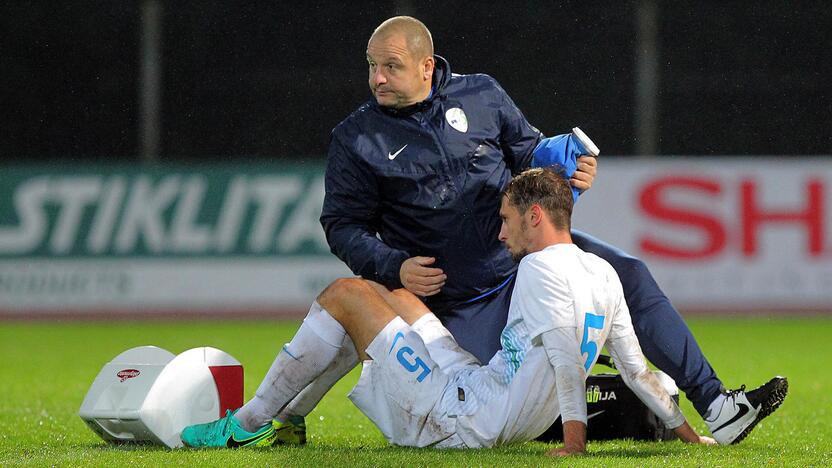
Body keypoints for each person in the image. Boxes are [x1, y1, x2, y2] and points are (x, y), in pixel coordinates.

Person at [251, 16, 787, 446]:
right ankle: (627, 410)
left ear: (426, 66)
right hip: (456, 303)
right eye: (371, 67)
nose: (377, 79)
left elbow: (532, 157)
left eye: (391, 67)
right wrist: (394, 266)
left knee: (628, 276)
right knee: (512, 403)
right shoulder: (356, 138)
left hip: (524, 261)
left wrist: (572, 171)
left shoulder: (481, 95)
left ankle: (718, 406)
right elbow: (341, 226)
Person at [182, 168, 716, 454]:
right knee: (393, 296)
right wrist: (686, 433)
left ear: (534, 215)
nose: (500, 233)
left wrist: (574, 444)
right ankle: (290, 421)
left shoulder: (537, 269)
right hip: (486, 390)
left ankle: (248, 423)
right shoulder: (602, 273)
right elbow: (635, 366)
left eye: (506, 220)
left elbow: (562, 357)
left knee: (345, 294)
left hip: (467, 419)